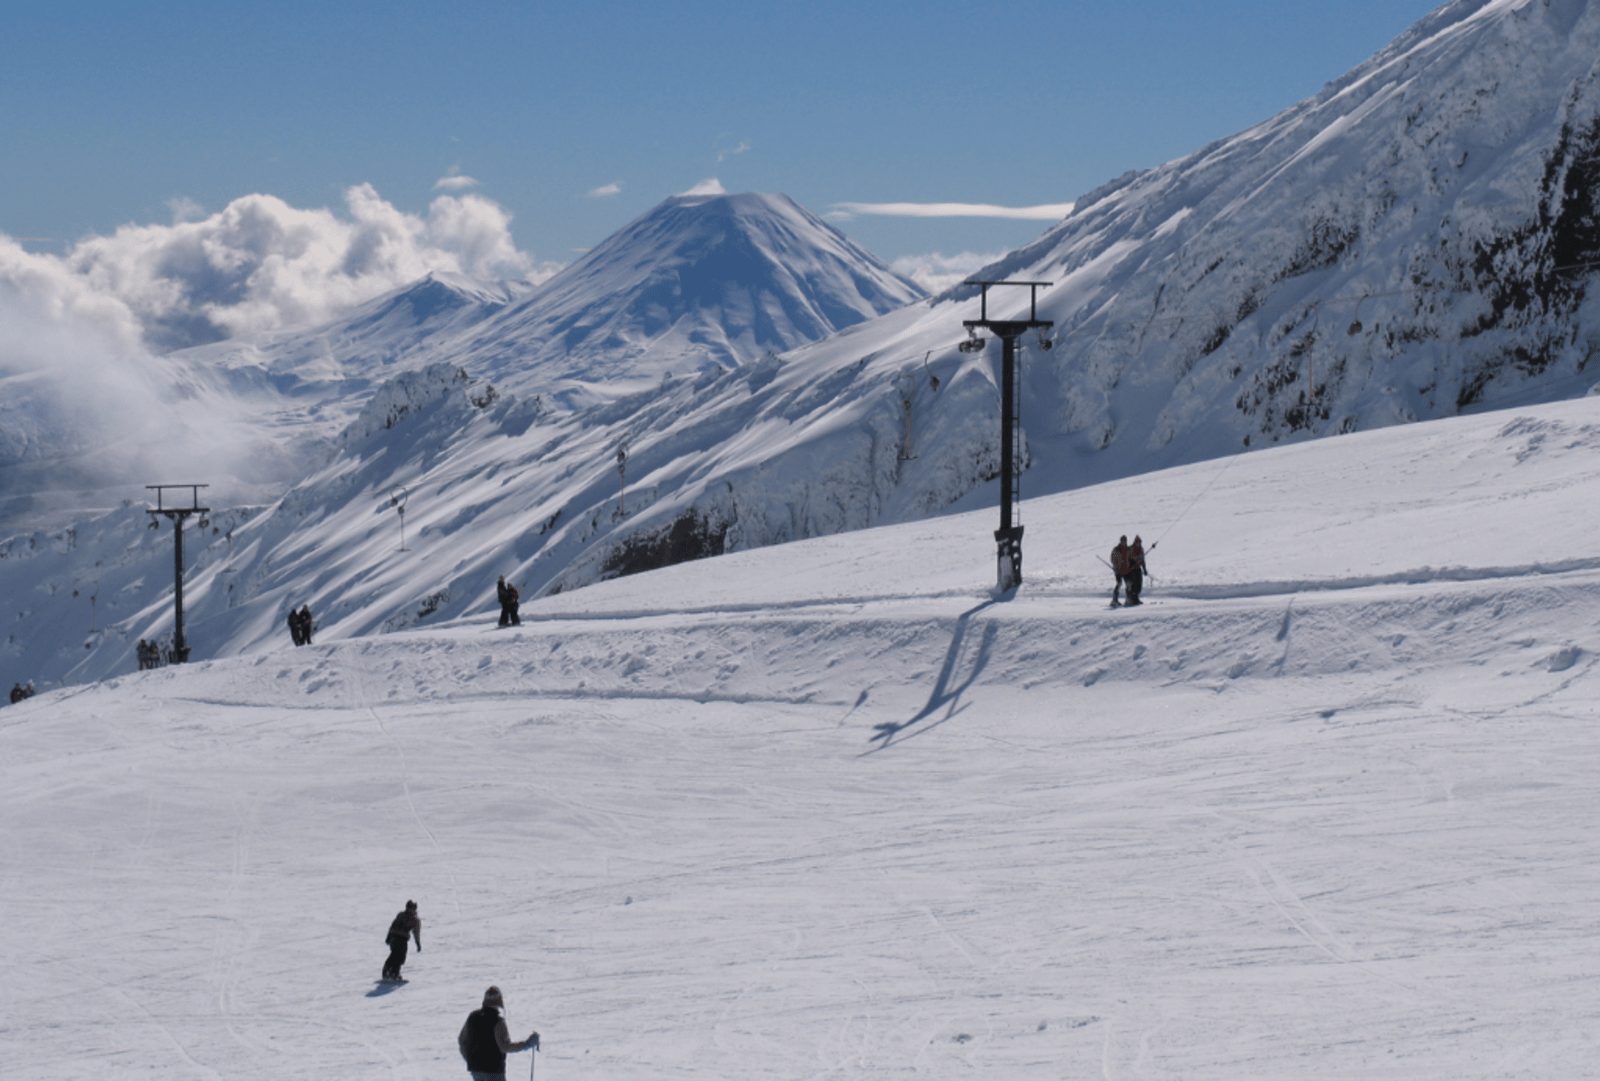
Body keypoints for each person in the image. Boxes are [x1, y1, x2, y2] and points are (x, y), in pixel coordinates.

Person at [459, 986, 538, 1081]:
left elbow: (461, 1040)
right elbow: (504, 1046)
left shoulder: (472, 1017)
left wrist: (469, 1060)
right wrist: (527, 1044)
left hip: (476, 1070)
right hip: (494, 1071)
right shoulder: (498, 1022)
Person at [382, 900, 422, 982]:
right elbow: (393, 925)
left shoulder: (403, 915)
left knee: (394, 955)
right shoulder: (414, 919)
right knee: (399, 957)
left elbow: (416, 932)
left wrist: (417, 943)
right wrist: (388, 936)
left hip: (395, 938)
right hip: (400, 939)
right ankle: (393, 973)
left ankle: (387, 972)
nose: (409, 910)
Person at [1125, 535, 1147, 606]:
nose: (1139, 544)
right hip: (1131, 570)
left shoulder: (1141, 549)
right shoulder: (1131, 549)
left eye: (1140, 542)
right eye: (1138, 542)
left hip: (1138, 569)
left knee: (1138, 585)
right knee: (1132, 585)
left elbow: (1143, 560)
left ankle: (1136, 599)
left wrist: (1144, 569)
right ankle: (1131, 600)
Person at [1110, 536, 1131, 608]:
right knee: (1119, 583)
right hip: (1118, 570)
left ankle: (1128, 600)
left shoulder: (1128, 549)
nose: (1124, 542)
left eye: (1125, 541)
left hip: (1126, 570)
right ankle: (1114, 600)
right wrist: (1116, 566)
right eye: (1123, 541)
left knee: (1128, 584)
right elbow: (1112, 558)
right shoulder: (1116, 549)